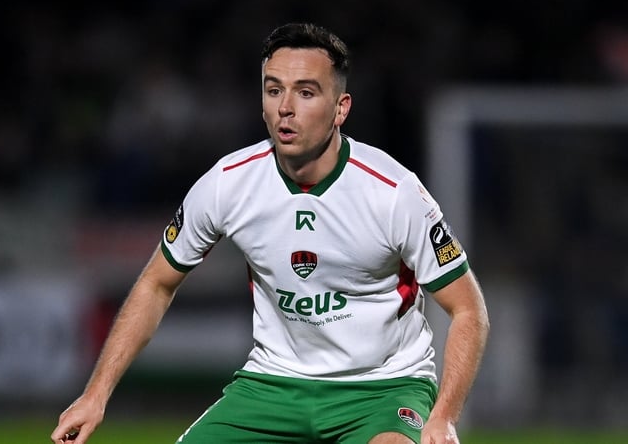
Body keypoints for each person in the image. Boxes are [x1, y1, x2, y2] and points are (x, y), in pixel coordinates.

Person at [51, 22, 489, 444]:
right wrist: (96, 394)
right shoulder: (228, 183)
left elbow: (468, 309)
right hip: (273, 385)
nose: (285, 107)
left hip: (383, 387)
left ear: (341, 108)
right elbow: (156, 283)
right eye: (274, 89)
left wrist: (445, 417)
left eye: (306, 92)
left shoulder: (395, 193)